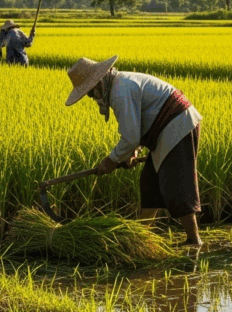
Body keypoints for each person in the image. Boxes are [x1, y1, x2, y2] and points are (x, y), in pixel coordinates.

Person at [65, 56, 204, 246]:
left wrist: (111, 160)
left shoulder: (120, 91)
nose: (92, 98)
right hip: (164, 129)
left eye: (90, 93)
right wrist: (132, 152)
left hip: (176, 125)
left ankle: (194, 240)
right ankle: (141, 239)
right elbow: (137, 128)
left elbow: (130, 137)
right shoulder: (119, 85)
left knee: (175, 181)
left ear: (97, 84)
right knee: (150, 182)